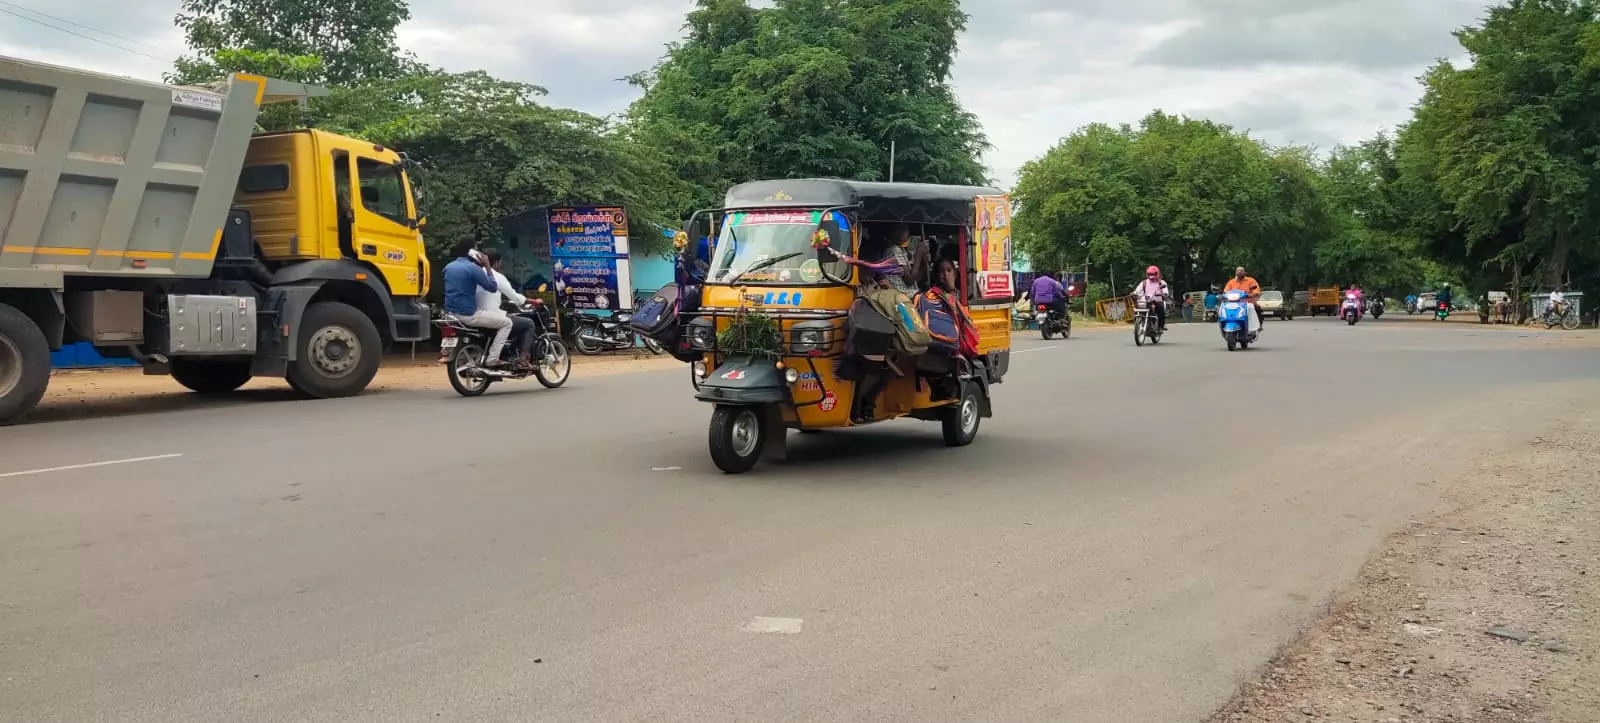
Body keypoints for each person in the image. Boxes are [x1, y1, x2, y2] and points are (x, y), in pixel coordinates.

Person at [443, 236, 511, 367]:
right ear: (472, 251)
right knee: (507, 323)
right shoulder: (472, 268)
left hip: (450, 315)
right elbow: (492, 287)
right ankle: (493, 358)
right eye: (476, 248)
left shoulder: (449, 267)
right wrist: (487, 265)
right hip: (468, 314)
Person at [833, 223, 926, 297]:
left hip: (907, 294)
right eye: (898, 230)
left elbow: (915, 281)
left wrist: (923, 263)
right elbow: (909, 280)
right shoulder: (894, 250)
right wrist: (919, 256)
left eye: (905, 230)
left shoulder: (902, 250)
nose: (902, 234)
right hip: (902, 295)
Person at [478, 249, 534, 369]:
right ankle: (523, 358)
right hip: (492, 315)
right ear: (497, 262)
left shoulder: (475, 274)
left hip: (475, 314)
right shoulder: (497, 277)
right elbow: (514, 297)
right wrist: (532, 301)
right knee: (528, 323)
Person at [1130, 265, 1171, 330]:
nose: (1152, 276)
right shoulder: (1144, 282)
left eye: (1153, 274)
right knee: (1137, 308)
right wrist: (1134, 293)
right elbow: (1137, 291)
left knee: (1161, 308)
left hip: (1157, 300)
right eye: (1150, 274)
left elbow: (1165, 291)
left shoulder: (1161, 282)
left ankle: (1161, 325)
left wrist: (1164, 294)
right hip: (1146, 301)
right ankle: (1138, 324)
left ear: (1157, 274)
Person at [1223, 266, 1263, 333]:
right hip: (1233, 303)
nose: (1239, 272)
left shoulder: (1251, 280)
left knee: (1257, 307)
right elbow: (1226, 291)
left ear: (1245, 272)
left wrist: (1254, 294)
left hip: (1248, 302)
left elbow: (1256, 290)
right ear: (1235, 272)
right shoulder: (1231, 282)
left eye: (1241, 270)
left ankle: (1259, 324)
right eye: (1238, 270)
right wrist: (1224, 295)